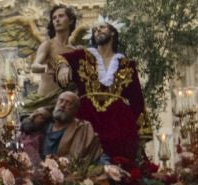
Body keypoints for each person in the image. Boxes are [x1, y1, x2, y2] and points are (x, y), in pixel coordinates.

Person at [61, 22, 145, 163]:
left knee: (121, 161)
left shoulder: (127, 64)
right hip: (88, 117)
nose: (98, 30)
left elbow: (137, 99)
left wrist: (141, 131)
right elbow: (59, 58)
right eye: (94, 30)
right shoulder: (82, 56)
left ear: (113, 32)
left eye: (102, 27)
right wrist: (63, 67)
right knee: (85, 159)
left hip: (118, 121)